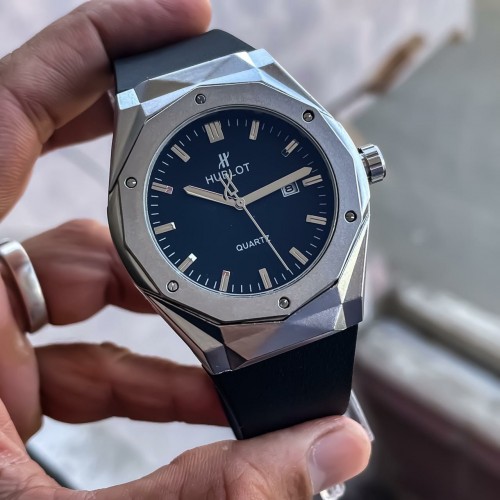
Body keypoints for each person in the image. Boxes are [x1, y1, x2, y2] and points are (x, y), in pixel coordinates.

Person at [0, 0, 371, 497]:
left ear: (361, 167)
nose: (237, 201)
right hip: (235, 326)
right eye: (230, 200)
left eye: (240, 199)